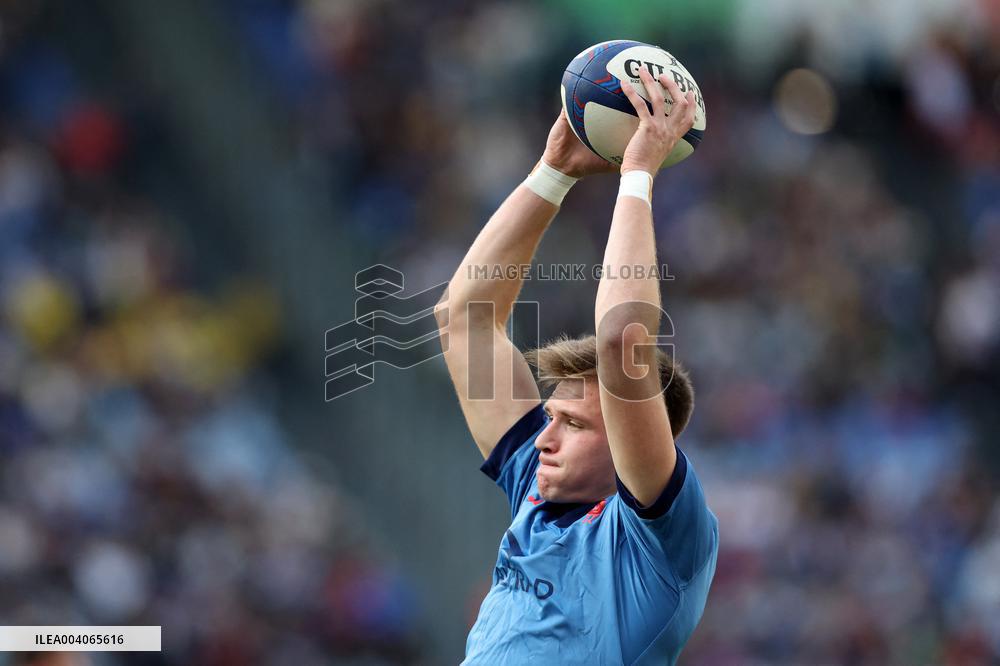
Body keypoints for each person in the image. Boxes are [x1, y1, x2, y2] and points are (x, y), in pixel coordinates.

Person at [436, 68, 719, 665]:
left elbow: (622, 342)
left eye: (575, 423)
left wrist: (638, 174)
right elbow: (464, 319)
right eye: (552, 415)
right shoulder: (536, 497)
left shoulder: (659, 545)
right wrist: (554, 171)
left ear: (630, 440)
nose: (545, 437)